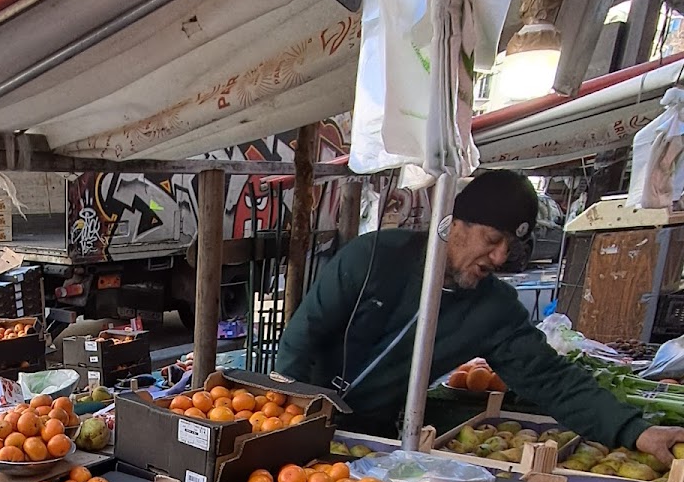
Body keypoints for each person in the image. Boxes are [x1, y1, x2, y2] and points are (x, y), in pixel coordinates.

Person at [275, 169, 684, 465]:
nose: (500, 257)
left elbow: (550, 378)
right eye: (492, 240)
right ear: (455, 225)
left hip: (374, 438)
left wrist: (634, 430)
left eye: (509, 246)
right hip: (304, 419)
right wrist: (285, 419)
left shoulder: (494, 309)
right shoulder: (374, 257)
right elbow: (301, 336)